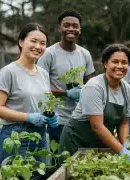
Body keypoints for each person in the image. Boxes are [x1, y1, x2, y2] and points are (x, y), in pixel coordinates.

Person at [0, 23, 58, 164]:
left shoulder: (43, 74)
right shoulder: (8, 72)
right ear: (21, 42)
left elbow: (45, 102)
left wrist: (52, 114)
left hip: (40, 136)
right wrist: (27, 117)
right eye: (33, 41)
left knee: (40, 175)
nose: (38, 46)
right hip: (15, 136)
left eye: (42, 43)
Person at [59, 44, 130, 164]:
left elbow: (124, 123)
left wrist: (125, 144)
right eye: (115, 61)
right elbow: (97, 126)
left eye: (124, 62)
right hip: (77, 140)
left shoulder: (127, 90)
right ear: (105, 64)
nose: (120, 66)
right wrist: (121, 150)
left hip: (100, 140)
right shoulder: (94, 86)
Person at [37, 10, 95, 143]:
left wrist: (88, 91)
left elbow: (90, 79)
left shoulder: (84, 54)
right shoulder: (49, 54)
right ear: (59, 28)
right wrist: (66, 93)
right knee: (58, 158)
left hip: (80, 117)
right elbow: (40, 87)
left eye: (75, 26)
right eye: (66, 25)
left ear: (80, 29)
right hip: (56, 119)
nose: (71, 29)